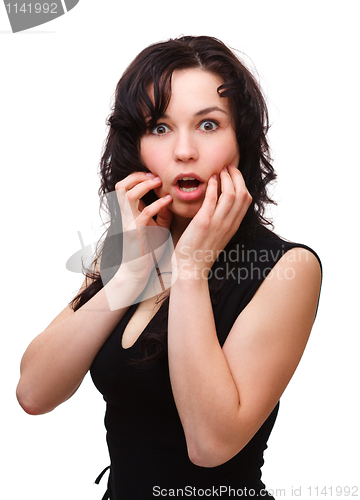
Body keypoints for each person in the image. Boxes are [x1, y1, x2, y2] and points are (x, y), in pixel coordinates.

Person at [16, 36, 322, 499]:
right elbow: (34, 394)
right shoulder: (129, 250)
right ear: (135, 146)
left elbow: (211, 444)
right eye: (159, 127)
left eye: (208, 124)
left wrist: (191, 269)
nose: (184, 150)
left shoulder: (287, 269)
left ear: (242, 138)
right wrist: (128, 275)